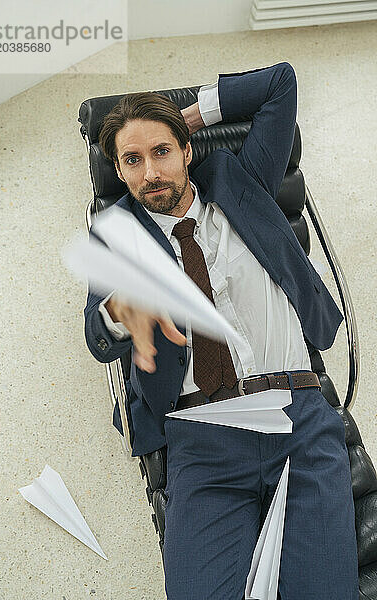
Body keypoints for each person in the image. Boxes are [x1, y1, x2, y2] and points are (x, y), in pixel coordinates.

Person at [83, 62, 358, 599]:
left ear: (188, 150)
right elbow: (97, 337)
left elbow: (279, 84)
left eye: (161, 152)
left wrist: (182, 116)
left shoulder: (242, 179)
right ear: (118, 171)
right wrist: (119, 310)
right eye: (131, 160)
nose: (150, 174)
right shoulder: (114, 237)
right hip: (202, 440)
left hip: (296, 417)